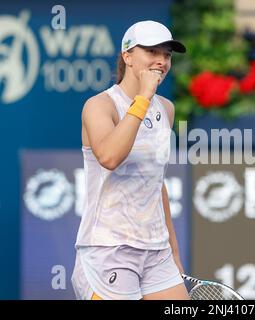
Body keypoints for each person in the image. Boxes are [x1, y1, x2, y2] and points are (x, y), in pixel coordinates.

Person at [71, 20, 189, 300]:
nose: (161, 61)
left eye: (167, 55)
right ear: (127, 56)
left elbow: (155, 182)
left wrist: (173, 250)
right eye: (152, 52)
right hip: (107, 249)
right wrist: (144, 97)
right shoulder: (100, 106)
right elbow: (110, 157)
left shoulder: (167, 110)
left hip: (156, 252)